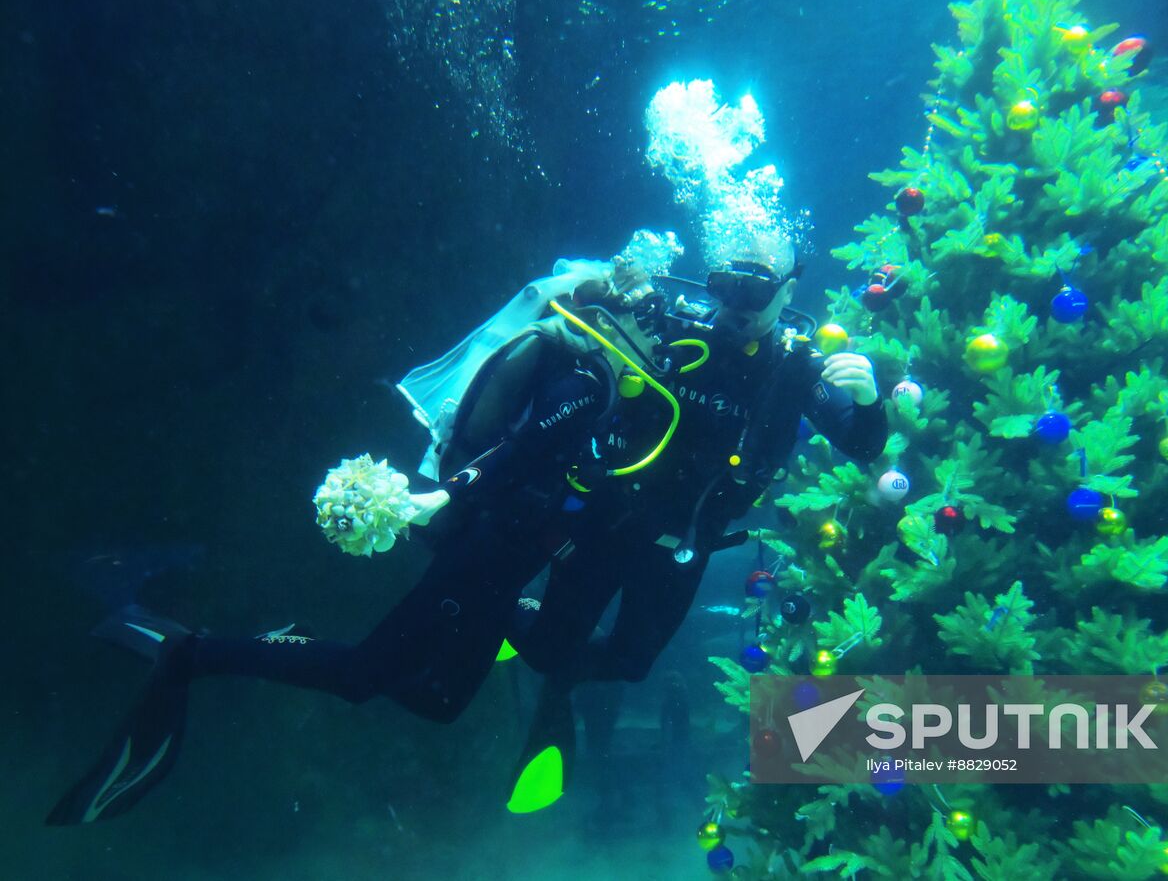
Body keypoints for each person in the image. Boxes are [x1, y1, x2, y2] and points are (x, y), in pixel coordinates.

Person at [48, 252, 887, 825]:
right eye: (724, 287)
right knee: (365, 675)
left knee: (445, 698)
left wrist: (872, 397)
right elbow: (529, 446)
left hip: (542, 546)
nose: (734, 306)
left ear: (788, 286)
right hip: (511, 545)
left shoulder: (774, 365)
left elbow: (862, 442)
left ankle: (483, 643)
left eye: (757, 289)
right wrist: (440, 498)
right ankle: (192, 651)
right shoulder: (624, 363)